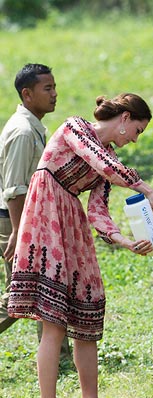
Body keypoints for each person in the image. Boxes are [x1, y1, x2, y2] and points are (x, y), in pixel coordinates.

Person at [7, 93, 153, 398]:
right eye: (137, 130)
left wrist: (123, 241)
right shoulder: (75, 129)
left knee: (87, 309)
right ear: (123, 118)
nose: (135, 139)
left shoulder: (110, 156)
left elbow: (98, 210)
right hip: (46, 208)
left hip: (71, 219)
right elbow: (102, 164)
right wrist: (146, 188)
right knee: (54, 322)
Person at [0, 64, 57, 335]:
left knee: (46, 287)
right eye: (47, 88)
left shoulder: (32, 126)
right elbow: (14, 188)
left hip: (24, 219)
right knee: (19, 294)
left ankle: (59, 357)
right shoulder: (23, 132)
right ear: (27, 94)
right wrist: (18, 231)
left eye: (54, 87)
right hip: (13, 221)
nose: (55, 94)